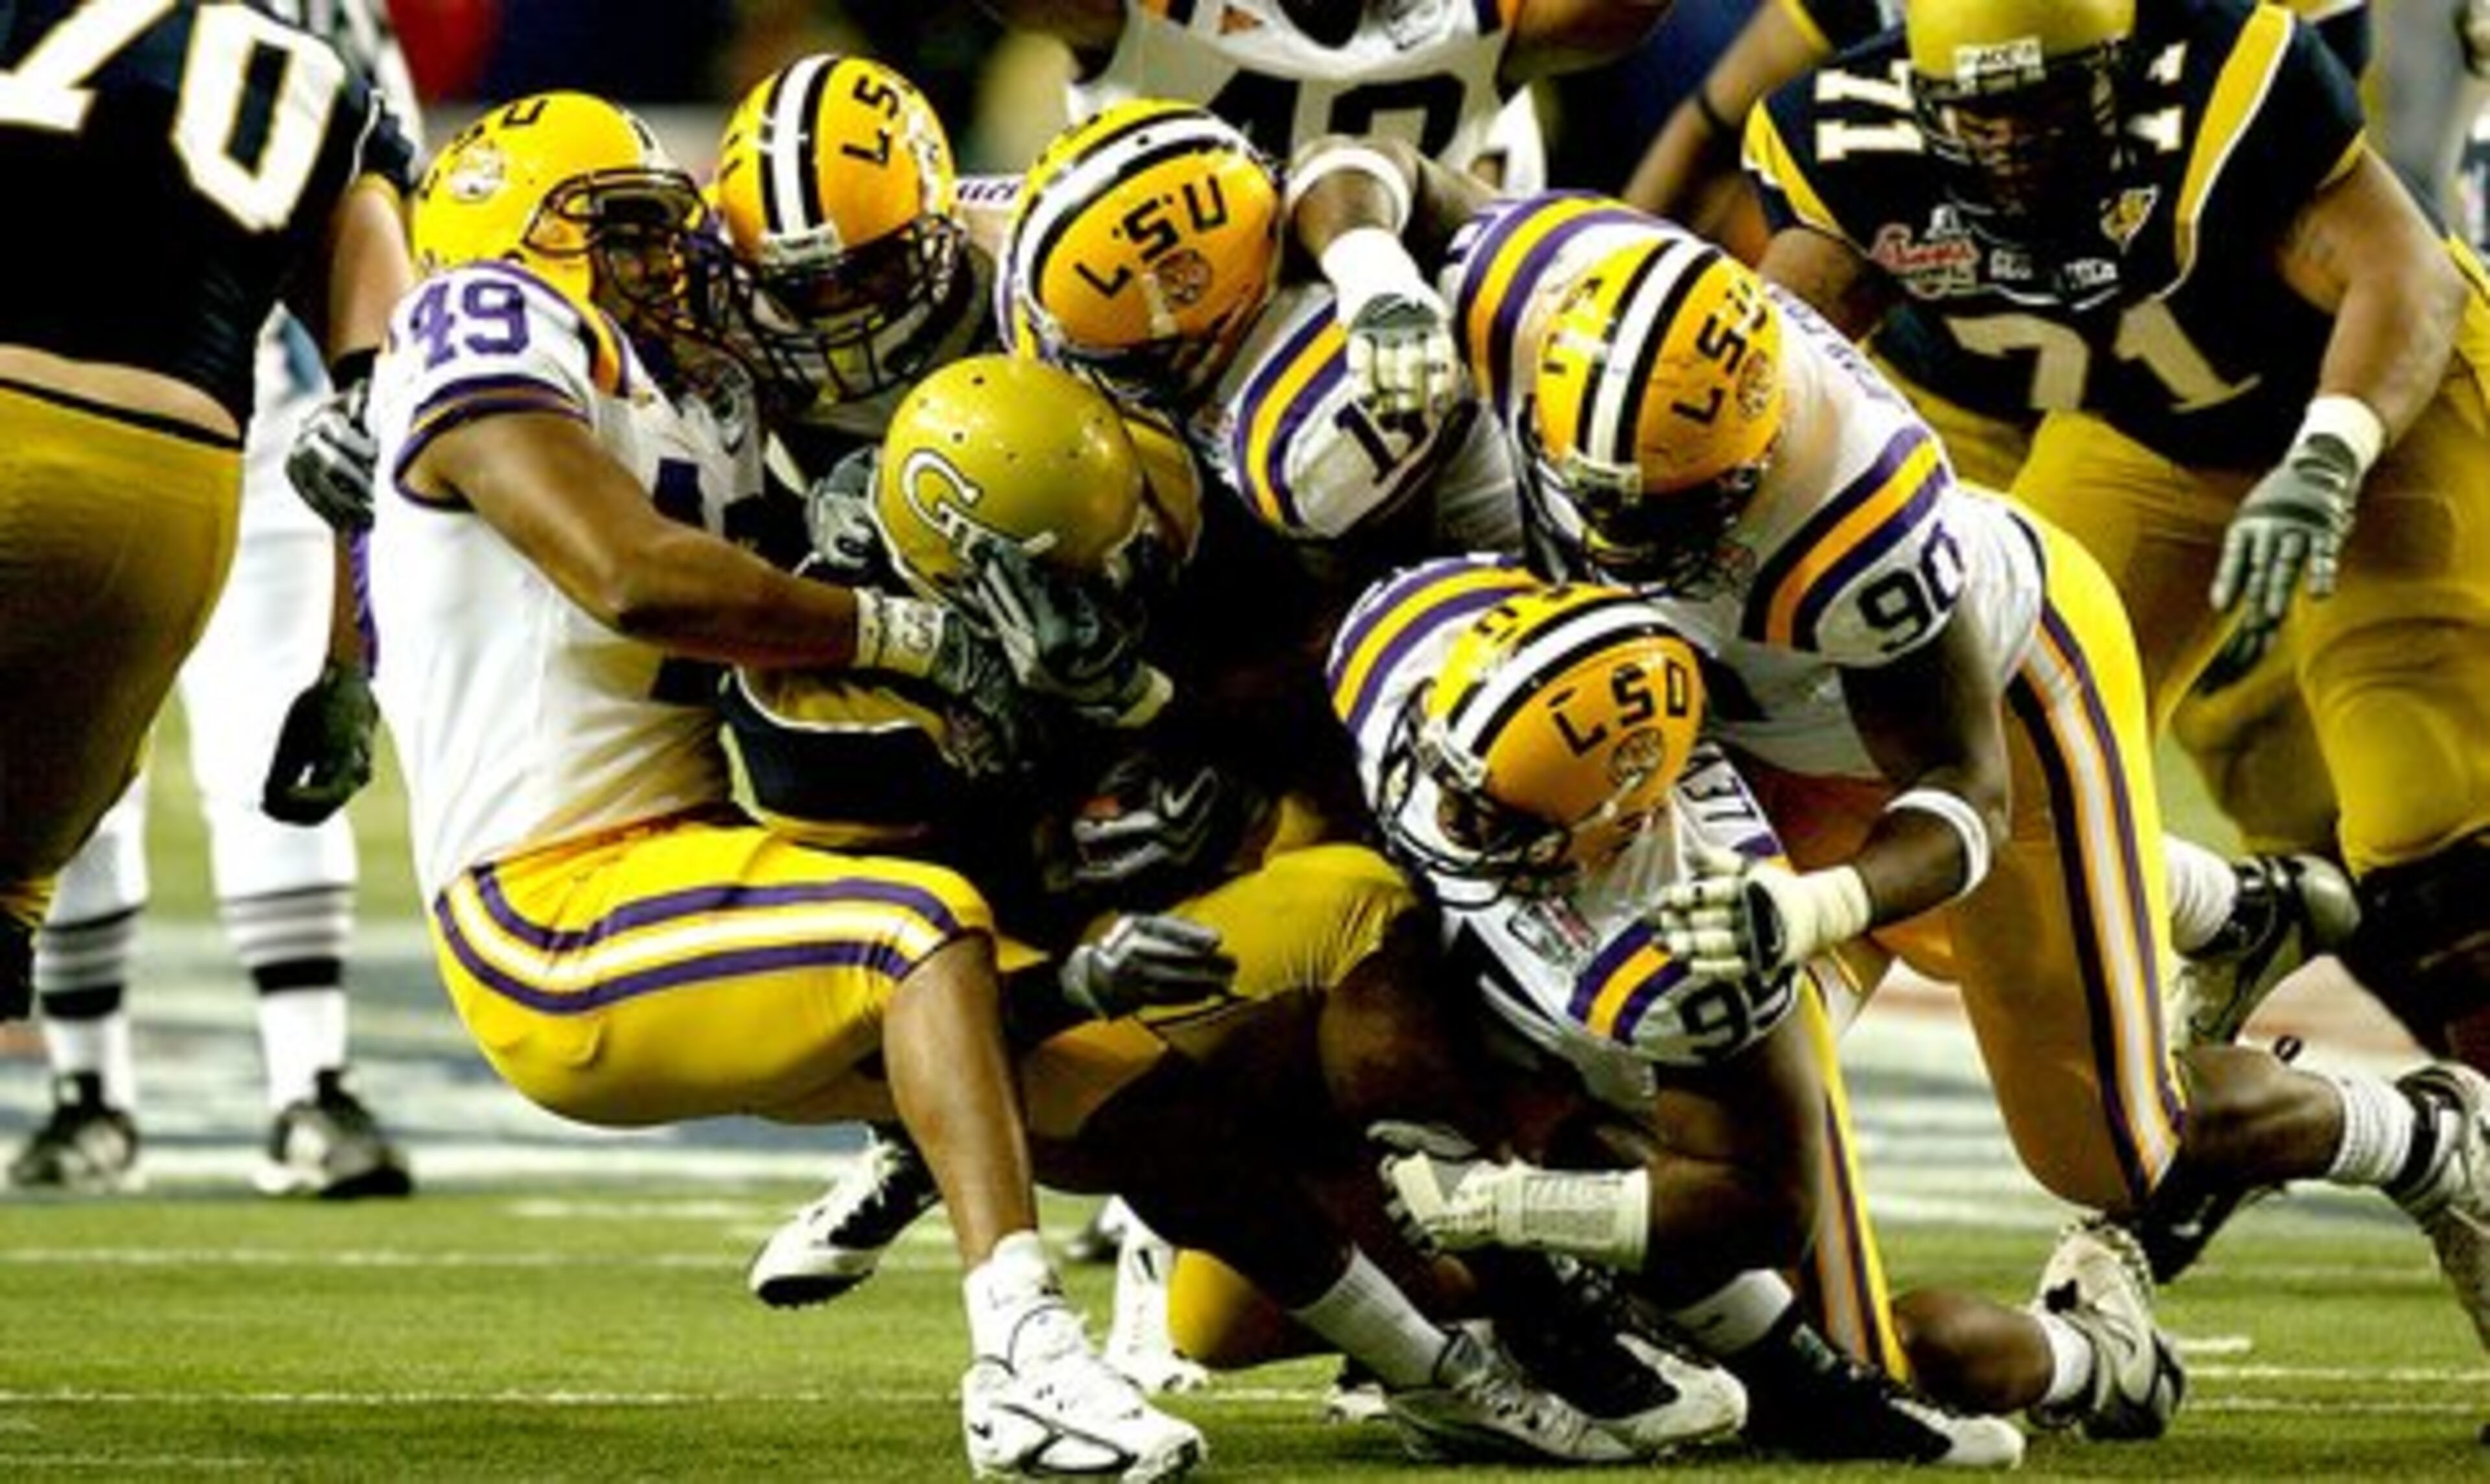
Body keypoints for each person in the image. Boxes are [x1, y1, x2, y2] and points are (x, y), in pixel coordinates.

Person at [1281, 134, 2490, 1375]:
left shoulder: (1863, 521)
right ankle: (2204, 900)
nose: (1615, 534)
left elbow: (1958, 801)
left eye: (1667, 508)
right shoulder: (1546, 288)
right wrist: (1376, 275)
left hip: (1992, 701)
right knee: (1637, 1018)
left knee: (2114, 1148)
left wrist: (1812, 906)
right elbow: (1357, 165)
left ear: (1754, 464)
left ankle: (2424, 1133)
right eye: (1597, 490)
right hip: (1727, 705)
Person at [358, 89, 1204, 1480]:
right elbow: (633, 578)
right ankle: (1026, 1359)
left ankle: (1446, 1350)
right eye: (615, 232)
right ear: (509, 248)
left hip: (720, 844)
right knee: (914, 928)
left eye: (657, 228)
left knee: (1146, 1084)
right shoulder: (485, 322)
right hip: (556, 898)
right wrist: (909, 633)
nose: (660, 261)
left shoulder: (702, 387)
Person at [728, 349, 1741, 1464]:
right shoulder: (828, 723)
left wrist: (1161, 715)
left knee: (1360, 883)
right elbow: (914, 994)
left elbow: (1326, 699)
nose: (1139, 564)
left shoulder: (1136, 471)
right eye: (1085, 572)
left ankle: (1542, 1303)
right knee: (1211, 1291)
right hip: (1041, 1007)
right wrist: (1075, 916)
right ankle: (919, 1157)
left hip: (1215, 933)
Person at [1738, 0, 2490, 1307]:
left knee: (2433, 823)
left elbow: (2401, 270)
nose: (2013, 138)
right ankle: (2227, 916)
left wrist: (2328, 457)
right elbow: (1767, 373)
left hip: (2380, 412)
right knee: (1978, 786)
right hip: (2149, 436)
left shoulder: (2224, 75)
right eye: (1980, 107)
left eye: (2047, 101)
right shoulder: (1846, 142)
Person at [1325, 552, 2178, 1457]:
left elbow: (1763, 1203)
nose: (1449, 818)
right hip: (1517, 1037)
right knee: (1232, 1304)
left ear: (1614, 823)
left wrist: (1513, 1207)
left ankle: (2089, 1355)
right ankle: (1541, 1322)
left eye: (1498, 817)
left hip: (1666, 1093)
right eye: (1452, 780)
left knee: (1875, 1364)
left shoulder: (1691, 928)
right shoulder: (1410, 647)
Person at [8, 0, 422, 1201]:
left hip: (190, 409)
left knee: (101, 789)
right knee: (232, 754)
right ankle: (268, 1093)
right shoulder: (327, 42)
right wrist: (355, 665)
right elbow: (388, 339)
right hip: (208, 436)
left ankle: (141, 1095)